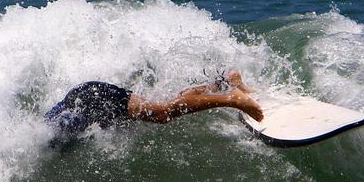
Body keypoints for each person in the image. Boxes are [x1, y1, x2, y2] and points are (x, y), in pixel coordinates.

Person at [44, 69, 264, 141]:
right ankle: (224, 82)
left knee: (161, 114)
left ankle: (232, 99)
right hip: (87, 94)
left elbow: (70, 122)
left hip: (94, 99)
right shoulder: (43, 129)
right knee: (164, 104)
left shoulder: (47, 135)